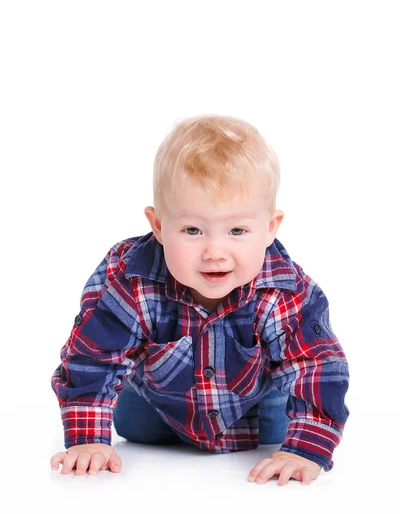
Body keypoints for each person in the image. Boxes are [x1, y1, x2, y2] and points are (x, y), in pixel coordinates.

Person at [50, 114, 350, 486]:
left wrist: (305, 449)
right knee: (131, 422)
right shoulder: (132, 278)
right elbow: (93, 357)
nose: (215, 252)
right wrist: (87, 440)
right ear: (158, 226)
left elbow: (315, 366)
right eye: (192, 230)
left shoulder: (282, 291)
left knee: (285, 418)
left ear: (270, 227)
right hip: (154, 409)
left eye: (237, 230)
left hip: (256, 411)